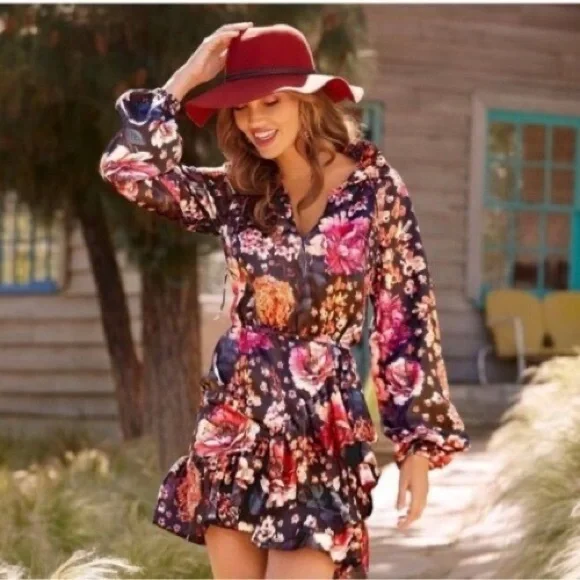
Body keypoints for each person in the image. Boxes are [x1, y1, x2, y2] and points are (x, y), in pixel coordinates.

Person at [99, 22, 470, 580]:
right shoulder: (237, 190)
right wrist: (187, 78)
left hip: (322, 431)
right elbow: (129, 170)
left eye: (270, 102)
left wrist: (416, 441)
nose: (254, 120)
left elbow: (405, 313)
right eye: (242, 107)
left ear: (307, 99)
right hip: (237, 423)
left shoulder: (374, 189)